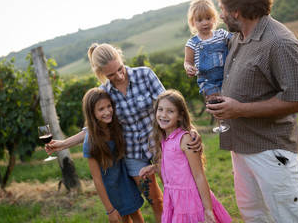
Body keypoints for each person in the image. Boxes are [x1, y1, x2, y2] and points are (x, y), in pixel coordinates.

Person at [45, 43, 203, 222]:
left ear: (121, 59)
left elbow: (170, 105)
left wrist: (189, 129)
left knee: (179, 192)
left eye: (120, 68)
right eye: (111, 74)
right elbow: (93, 128)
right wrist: (64, 144)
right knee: (156, 201)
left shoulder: (145, 74)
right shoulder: (104, 93)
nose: (119, 76)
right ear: (101, 73)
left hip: (161, 145)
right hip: (133, 156)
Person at [206, 0, 298, 222]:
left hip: (270, 151)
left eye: (222, 8)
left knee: (289, 217)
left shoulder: (279, 42)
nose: (219, 15)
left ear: (236, 11)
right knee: (253, 214)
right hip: (241, 145)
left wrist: (239, 109)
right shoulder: (238, 37)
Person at [139, 89, 232, 223]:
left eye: (170, 111)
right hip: (173, 198)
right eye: (160, 109)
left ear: (180, 116)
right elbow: (174, 170)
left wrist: (208, 209)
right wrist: (155, 168)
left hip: (190, 201)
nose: (163, 115)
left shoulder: (185, 139)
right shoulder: (164, 139)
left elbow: (199, 176)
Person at [81, 88, 144, 223]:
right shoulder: (90, 142)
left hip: (126, 181)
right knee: (121, 219)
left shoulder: (115, 127)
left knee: (136, 215)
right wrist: (109, 209)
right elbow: (97, 179)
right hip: (111, 190)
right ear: (91, 113)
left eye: (109, 106)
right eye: (101, 109)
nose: (107, 112)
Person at [184, 0, 232, 94]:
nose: (205, 23)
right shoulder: (192, 43)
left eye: (208, 18)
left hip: (228, 77)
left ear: (214, 18)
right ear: (192, 22)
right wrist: (188, 67)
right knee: (217, 104)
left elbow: (235, 43)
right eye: (200, 20)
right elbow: (187, 62)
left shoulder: (222, 34)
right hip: (208, 83)